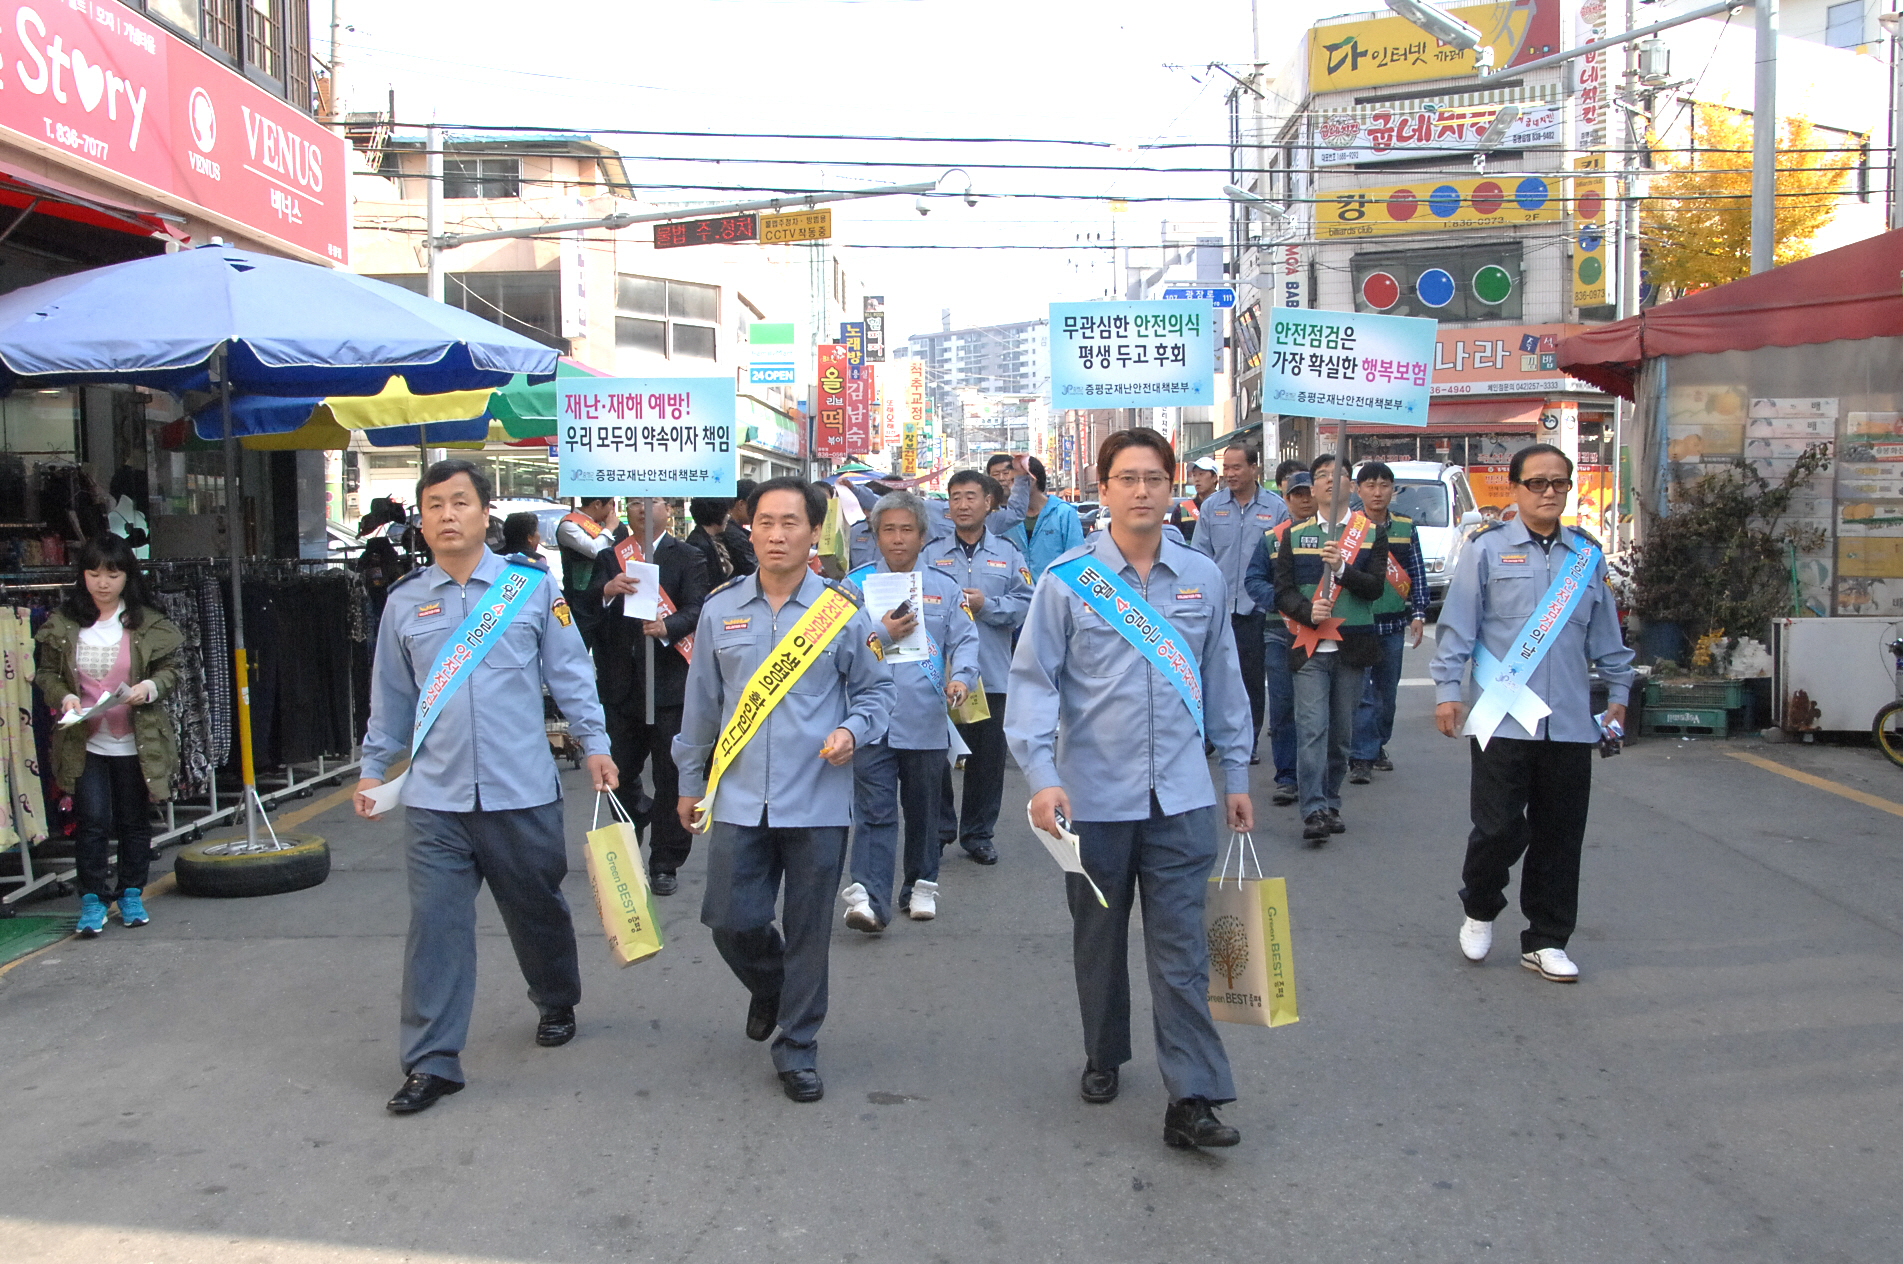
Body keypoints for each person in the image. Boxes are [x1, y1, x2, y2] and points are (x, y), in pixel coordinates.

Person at [1007, 427, 1255, 1151]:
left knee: (1182, 954)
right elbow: (1031, 684)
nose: (1141, 490)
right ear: (1104, 486)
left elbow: (1224, 682)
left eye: (1153, 477)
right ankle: (1103, 1051)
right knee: (1099, 940)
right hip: (1091, 801)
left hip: (1180, 799)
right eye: (1126, 478)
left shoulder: (1200, 576)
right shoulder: (1065, 578)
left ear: (1172, 485)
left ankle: (1194, 1097)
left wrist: (1234, 771)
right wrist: (1042, 778)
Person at [356, 459, 618, 1116]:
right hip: (435, 802)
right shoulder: (403, 603)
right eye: (434, 504)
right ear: (421, 520)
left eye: (459, 502)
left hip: (520, 791)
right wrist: (371, 767)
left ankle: (556, 997)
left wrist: (596, 745)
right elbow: (389, 700)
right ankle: (431, 1061)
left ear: (483, 514)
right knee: (436, 928)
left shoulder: (531, 591)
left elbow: (570, 673)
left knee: (536, 912)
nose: (446, 514)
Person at [673, 477, 894, 1102]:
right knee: (728, 918)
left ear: (811, 531)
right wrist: (690, 782)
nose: (775, 533)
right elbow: (702, 709)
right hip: (740, 797)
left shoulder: (843, 613)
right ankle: (771, 985)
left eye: (790, 522)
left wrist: (853, 730)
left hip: (818, 798)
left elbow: (878, 692)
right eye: (765, 521)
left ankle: (798, 1046)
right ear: (752, 527)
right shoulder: (720, 609)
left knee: (808, 929)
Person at [1430, 444, 1634, 984]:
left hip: (1568, 720)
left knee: (1561, 834)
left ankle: (1546, 938)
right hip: (1503, 716)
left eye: (1559, 484)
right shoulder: (1486, 551)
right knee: (1496, 828)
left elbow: (1607, 638)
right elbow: (1458, 628)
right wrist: (1448, 691)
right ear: (1515, 489)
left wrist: (1619, 692)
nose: (1549, 493)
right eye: (1538, 483)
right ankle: (1479, 904)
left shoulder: (1586, 557)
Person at [839, 490, 979, 929]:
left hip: (924, 717)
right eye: (888, 531)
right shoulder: (853, 587)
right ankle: (869, 897)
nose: (897, 540)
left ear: (922, 537)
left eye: (906, 530)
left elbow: (965, 640)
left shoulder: (944, 587)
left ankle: (921, 886)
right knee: (874, 811)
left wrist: (962, 678)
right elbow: (833, 648)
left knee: (922, 810)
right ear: (875, 537)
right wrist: (880, 634)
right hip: (869, 722)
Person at [34, 535, 182, 938]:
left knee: (134, 820)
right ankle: (92, 899)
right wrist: (64, 696)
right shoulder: (65, 623)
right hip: (85, 740)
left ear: (126, 576)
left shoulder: (147, 621)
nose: (102, 582)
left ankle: (131, 891)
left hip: (138, 739)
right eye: (93, 573)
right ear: (82, 575)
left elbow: (173, 669)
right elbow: (45, 673)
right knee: (93, 820)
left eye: (112, 574)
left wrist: (148, 687)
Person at [594, 498, 710, 897]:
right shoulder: (612, 556)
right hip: (622, 687)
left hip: (672, 686)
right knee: (619, 775)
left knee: (671, 775)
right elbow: (584, 610)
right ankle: (636, 812)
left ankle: (665, 861)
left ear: (670, 510)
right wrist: (606, 592)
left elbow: (700, 608)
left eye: (653, 500)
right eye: (635, 502)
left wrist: (669, 626)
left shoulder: (688, 556)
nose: (643, 508)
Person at [1273, 453, 1389, 844]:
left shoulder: (1370, 533)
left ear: (1349, 487)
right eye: (1320, 475)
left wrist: (1342, 571)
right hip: (1309, 649)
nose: (1327, 482)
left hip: (1353, 647)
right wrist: (1308, 611)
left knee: (1341, 734)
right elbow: (1283, 591)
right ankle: (1314, 808)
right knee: (1311, 730)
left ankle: (1332, 799)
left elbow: (1375, 587)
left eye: (1335, 475)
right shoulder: (1293, 533)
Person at [924, 471, 1034, 865]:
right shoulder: (930, 552)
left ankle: (978, 834)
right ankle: (937, 829)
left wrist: (988, 605)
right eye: (955, 498)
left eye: (971, 497)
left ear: (989, 503)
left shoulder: (1008, 553)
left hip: (991, 672)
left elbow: (1026, 603)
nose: (963, 505)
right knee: (935, 755)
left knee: (987, 761)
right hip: (938, 675)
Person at [1190, 443, 1289, 764]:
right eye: (1226, 468)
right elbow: (1200, 557)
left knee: (1250, 679)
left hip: (1255, 608)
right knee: (1208, 674)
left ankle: (1248, 739)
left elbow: (1282, 562)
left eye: (1236, 467)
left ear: (1254, 468)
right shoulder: (1211, 507)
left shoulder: (1276, 509)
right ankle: (1209, 735)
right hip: (1216, 609)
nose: (1229, 474)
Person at [1348, 461, 1430, 783]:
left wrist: (1419, 612)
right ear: (1359, 490)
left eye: (1384, 485)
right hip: (1359, 623)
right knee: (1362, 693)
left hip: (1393, 625)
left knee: (1387, 693)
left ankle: (1376, 744)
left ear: (1393, 491)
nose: (1377, 492)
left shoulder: (1406, 527)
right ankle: (1362, 756)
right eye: (1370, 485)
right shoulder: (1352, 528)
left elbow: (1418, 572)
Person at [1244, 470, 1319, 807]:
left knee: (1318, 711)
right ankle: (1287, 777)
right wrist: (1283, 601)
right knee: (1284, 706)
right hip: (1279, 630)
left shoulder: (1335, 537)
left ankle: (1319, 776)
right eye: (1296, 494)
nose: (1304, 500)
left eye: (1308, 493)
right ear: (1286, 500)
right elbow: (1253, 580)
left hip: (1324, 633)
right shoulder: (1272, 538)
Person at [989, 454, 1084, 580]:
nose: (1009, 485)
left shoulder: (1063, 513)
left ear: (1032, 480)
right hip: (1017, 595)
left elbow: (1076, 558)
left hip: (1054, 593)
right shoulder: (1006, 517)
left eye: (1014, 481)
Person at [557, 496, 618, 650]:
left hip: (603, 599)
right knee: (578, 652)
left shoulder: (600, 524)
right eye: (611, 504)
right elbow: (594, 550)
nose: (612, 510)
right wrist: (609, 529)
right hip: (580, 601)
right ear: (597, 504)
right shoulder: (569, 525)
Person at [686, 497, 756, 581]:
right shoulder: (698, 545)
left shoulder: (719, 539)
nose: (728, 516)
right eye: (726, 512)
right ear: (717, 514)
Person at [1172, 455, 1221, 543]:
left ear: (1214, 478)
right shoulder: (1182, 509)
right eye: (1194, 475)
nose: (1197, 479)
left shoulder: (1225, 506)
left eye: (1201, 474)